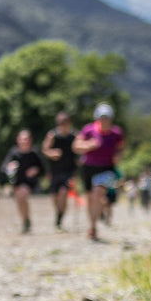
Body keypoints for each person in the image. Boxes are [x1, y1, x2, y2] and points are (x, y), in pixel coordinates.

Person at [73, 103, 124, 241]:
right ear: (97, 118)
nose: (104, 120)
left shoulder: (116, 133)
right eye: (102, 117)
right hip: (88, 168)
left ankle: (95, 222)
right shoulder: (88, 130)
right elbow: (76, 146)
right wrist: (89, 145)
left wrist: (119, 156)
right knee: (90, 199)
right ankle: (93, 226)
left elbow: (121, 148)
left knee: (97, 194)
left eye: (107, 117)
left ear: (111, 118)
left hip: (107, 169)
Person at [0, 129, 45, 234]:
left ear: (30, 140)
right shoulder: (14, 152)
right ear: (18, 140)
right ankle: (25, 220)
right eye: (22, 139)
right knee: (20, 201)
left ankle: (26, 221)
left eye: (26, 139)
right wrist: (9, 167)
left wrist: (36, 170)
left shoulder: (34, 153)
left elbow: (43, 169)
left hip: (30, 183)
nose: (24, 142)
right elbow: (3, 168)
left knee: (22, 195)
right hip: (17, 182)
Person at [41, 112, 79, 231]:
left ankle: (60, 218)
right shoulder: (52, 135)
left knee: (63, 193)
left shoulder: (74, 136)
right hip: (55, 171)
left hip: (69, 171)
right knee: (55, 196)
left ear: (69, 123)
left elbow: (79, 150)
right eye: (60, 123)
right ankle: (59, 213)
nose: (62, 125)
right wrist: (52, 153)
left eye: (64, 123)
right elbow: (45, 149)